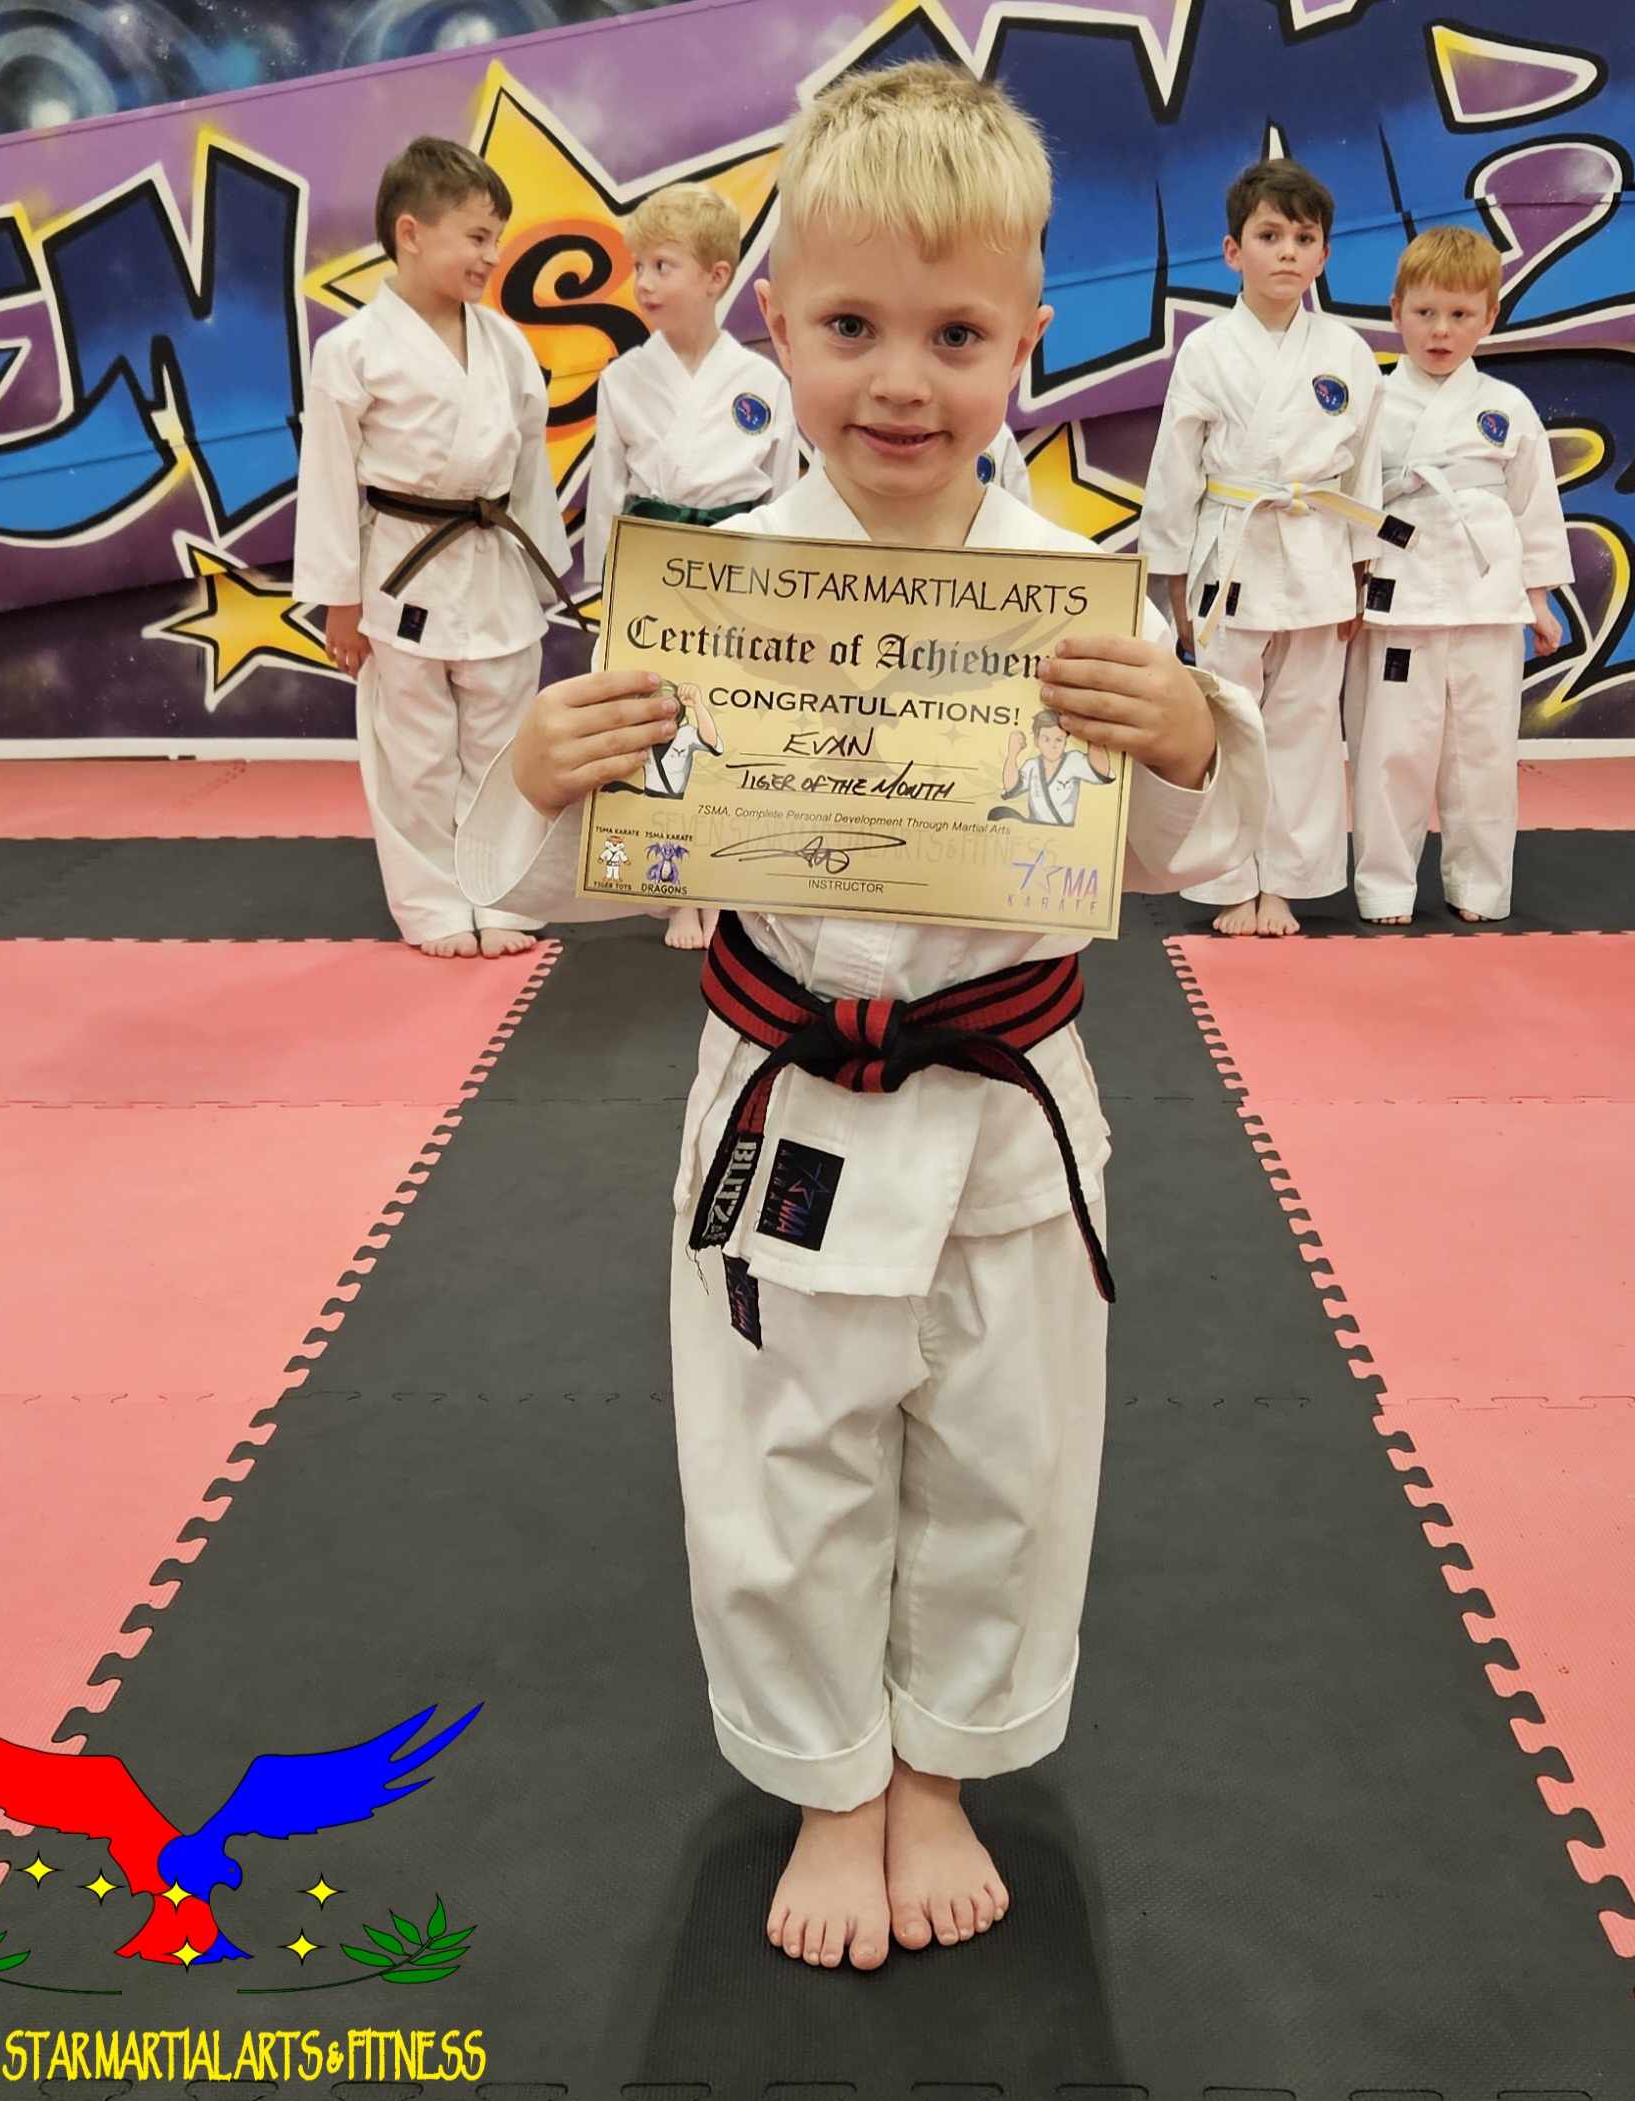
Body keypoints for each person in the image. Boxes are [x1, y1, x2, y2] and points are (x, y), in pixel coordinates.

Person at [453, 62, 1265, 1974]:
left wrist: (1189, 737)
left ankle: (942, 1767)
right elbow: (575, 876)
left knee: (1005, 1464)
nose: (902, 381)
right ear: (777, 327)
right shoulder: (708, 596)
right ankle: (830, 1780)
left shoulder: (1078, 603)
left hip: (1005, 1109)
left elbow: (1190, 854)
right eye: (851, 330)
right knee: (780, 1468)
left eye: (956, 336)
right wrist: (550, 773)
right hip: (785, 1100)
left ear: (1027, 344)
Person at [294, 136, 572, 959]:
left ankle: (502, 891)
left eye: (497, 238)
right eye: (476, 237)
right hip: (402, 566)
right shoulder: (351, 349)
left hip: (494, 563)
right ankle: (434, 904)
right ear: (410, 233)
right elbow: (329, 477)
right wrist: (339, 600)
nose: (492, 256)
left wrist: (543, 571)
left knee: (502, 741)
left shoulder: (505, 343)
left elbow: (530, 464)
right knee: (414, 753)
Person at [1136, 156, 1385, 937]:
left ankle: (1286, 882)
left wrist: (1362, 568)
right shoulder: (1207, 350)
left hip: (1317, 552)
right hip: (1231, 552)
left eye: (1302, 239)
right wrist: (1172, 578)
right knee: (1225, 722)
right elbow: (1175, 467)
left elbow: (1364, 467)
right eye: (1269, 235)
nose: (1286, 252)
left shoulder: (1346, 351)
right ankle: (1225, 880)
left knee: (1306, 726)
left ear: (1324, 255)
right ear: (1231, 250)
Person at [585, 182, 798, 950]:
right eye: (638, 265)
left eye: (662, 266)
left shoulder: (763, 381)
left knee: (728, 722)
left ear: (716, 277)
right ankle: (672, 883)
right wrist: (607, 587)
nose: (643, 283)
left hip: (738, 566)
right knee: (659, 723)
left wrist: (784, 587)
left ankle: (724, 881)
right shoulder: (623, 378)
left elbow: (783, 491)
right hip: (653, 563)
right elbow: (608, 491)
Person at [1347, 227, 1572, 924]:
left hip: (1488, 603)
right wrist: (1348, 587)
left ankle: (1479, 884)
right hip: (1397, 600)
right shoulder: (1372, 400)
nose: (1440, 331)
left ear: (1489, 317)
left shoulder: (1508, 406)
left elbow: (1535, 509)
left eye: (1459, 314)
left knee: (1482, 753)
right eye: (1424, 313)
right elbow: (1349, 503)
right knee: (1392, 751)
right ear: (1396, 312)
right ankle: (1385, 886)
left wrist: (1539, 600)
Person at [992, 709, 1116, 824]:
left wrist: (1091, 731)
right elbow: (1011, 787)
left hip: (1064, 832)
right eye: (1046, 739)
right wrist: (1012, 754)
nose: (1053, 746)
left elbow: (1101, 771)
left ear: (1065, 740)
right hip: (1033, 828)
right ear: (1036, 741)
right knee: (996, 814)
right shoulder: (1032, 765)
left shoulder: (1073, 760)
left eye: (1059, 740)